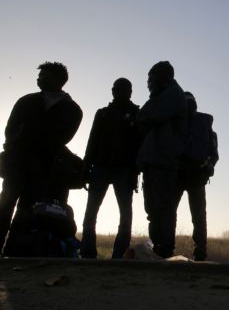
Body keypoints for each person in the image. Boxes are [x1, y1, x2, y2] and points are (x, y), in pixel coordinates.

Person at [0, 62, 83, 256]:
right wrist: (12, 150)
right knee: (5, 205)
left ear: (58, 79)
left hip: (44, 168)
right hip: (17, 164)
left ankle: (14, 249)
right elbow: (10, 130)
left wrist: (35, 144)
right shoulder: (26, 101)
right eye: (39, 75)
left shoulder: (72, 109)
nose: (39, 78)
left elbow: (63, 138)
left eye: (44, 75)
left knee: (27, 209)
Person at [80, 78, 140, 259]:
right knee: (91, 213)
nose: (121, 93)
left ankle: (119, 256)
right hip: (101, 168)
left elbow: (139, 144)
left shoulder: (137, 114)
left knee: (125, 215)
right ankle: (88, 253)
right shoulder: (102, 114)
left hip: (125, 171)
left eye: (125, 90)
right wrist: (86, 167)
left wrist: (135, 171)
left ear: (130, 92)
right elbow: (92, 141)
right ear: (113, 91)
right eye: (118, 90)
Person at [136, 61, 187, 258]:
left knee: (163, 208)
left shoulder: (173, 95)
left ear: (162, 77)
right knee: (153, 209)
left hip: (163, 161)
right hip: (154, 160)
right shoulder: (163, 96)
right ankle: (159, 248)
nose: (148, 83)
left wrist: (143, 117)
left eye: (151, 78)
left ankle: (164, 249)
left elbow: (149, 114)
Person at [176, 91, 218, 261]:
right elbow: (214, 153)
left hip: (180, 175)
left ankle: (166, 249)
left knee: (171, 214)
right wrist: (207, 167)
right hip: (196, 176)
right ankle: (200, 253)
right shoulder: (205, 124)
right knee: (199, 217)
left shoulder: (176, 122)